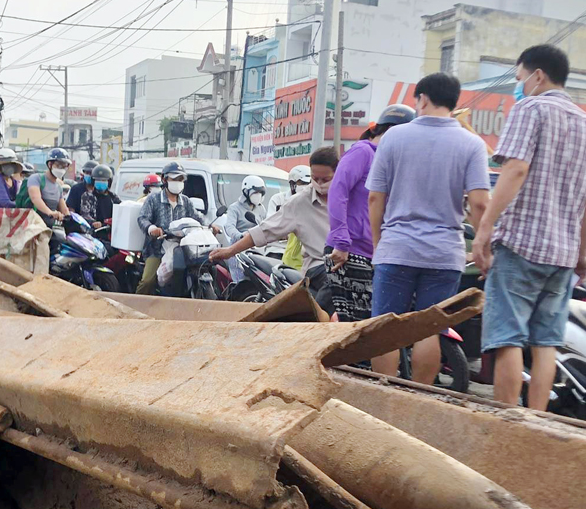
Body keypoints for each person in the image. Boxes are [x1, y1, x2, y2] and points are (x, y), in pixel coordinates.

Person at [473, 44, 586, 409]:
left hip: (521, 245)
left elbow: (515, 169)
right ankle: (537, 421)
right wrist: (582, 254)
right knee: (546, 342)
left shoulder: (530, 108)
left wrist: (484, 231)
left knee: (507, 338)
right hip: (563, 255)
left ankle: (507, 424)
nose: (519, 86)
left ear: (538, 75)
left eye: (519, 78)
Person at [366, 74, 490, 383]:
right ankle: (420, 396)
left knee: (385, 329)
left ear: (421, 99)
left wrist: (380, 243)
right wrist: (482, 246)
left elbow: (374, 198)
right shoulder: (472, 143)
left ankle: (384, 394)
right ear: (454, 102)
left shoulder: (393, 138)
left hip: (397, 248)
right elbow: (479, 204)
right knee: (430, 328)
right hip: (444, 253)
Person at [325, 104, 415, 322]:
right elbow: (338, 191)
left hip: (379, 254)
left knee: (375, 326)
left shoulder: (389, 160)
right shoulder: (363, 152)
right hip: (349, 251)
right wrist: (341, 241)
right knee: (357, 328)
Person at [210, 147, 339, 278]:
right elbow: (265, 230)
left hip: (345, 265)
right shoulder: (298, 203)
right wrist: (230, 251)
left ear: (337, 174)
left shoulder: (350, 198)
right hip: (316, 270)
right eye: (315, 179)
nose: (320, 184)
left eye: (325, 179)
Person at [136, 162, 198, 295]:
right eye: (174, 179)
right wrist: (151, 228)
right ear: (164, 179)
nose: (178, 182)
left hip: (182, 250)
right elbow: (142, 218)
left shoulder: (186, 202)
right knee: (148, 281)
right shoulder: (154, 199)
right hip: (156, 249)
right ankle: (135, 307)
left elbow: (198, 219)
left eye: (180, 179)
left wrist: (210, 227)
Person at [20, 147, 71, 221]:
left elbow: (64, 209)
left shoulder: (58, 186)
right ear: (50, 164)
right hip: (32, 225)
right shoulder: (36, 178)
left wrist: (70, 217)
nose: (62, 169)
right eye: (59, 165)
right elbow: (36, 198)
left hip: (49, 227)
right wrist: (50, 212)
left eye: (64, 166)